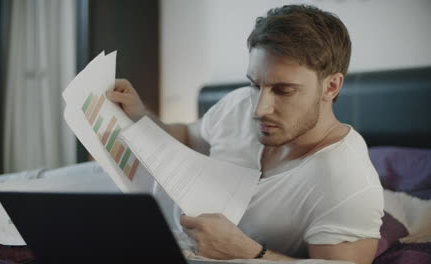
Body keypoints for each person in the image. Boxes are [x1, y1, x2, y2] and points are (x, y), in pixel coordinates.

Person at [106, 4, 383, 264]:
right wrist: (140, 114)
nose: (259, 109)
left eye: (283, 90)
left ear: (331, 86)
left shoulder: (348, 183)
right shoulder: (239, 104)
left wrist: (249, 252)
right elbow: (187, 138)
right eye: (255, 85)